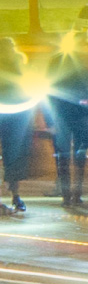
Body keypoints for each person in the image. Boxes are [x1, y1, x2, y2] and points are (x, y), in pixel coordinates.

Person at [46, 31, 88, 207]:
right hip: (80, 114)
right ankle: (75, 194)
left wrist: (49, 120)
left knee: (63, 156)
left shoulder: (57, 61)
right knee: (79, 155)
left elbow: (48, 91)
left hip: (61, 114)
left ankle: (67, 196)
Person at [0, 38, 34, 214]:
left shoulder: (18, 63)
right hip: (18, 114)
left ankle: (12, 196)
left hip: (12, 113)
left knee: (10, 156)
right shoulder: (20, 62)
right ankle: (15, 195)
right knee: (14, 155)